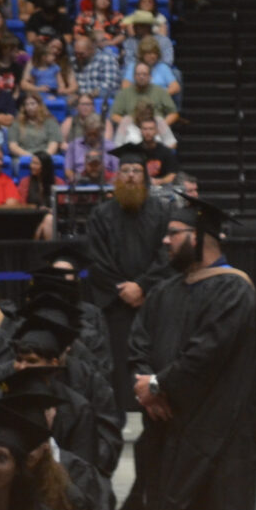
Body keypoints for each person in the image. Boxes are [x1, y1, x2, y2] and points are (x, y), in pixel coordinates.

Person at [119, 195, 256, 510]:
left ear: (201, 236)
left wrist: (159, 385)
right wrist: (148, 390)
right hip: (176, 429)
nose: (165, 241)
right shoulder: (165, 291)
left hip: (223, 432)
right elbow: (138, 345)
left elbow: (207, 352)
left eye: (174, 233)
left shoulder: (234, 290)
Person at [81, 161, 176, 411]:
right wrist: (123, 290)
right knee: (118, 360)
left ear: (145, 177)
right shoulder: (101, 214)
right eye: (125, 171)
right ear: (117, 176)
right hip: (116, 303)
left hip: (152, 302)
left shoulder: (162, 212)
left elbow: (167, 255)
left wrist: (142, 287)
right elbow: (96, 259)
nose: (131, 176)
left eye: (136, 171)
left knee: (156, 355)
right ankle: (120, 414)